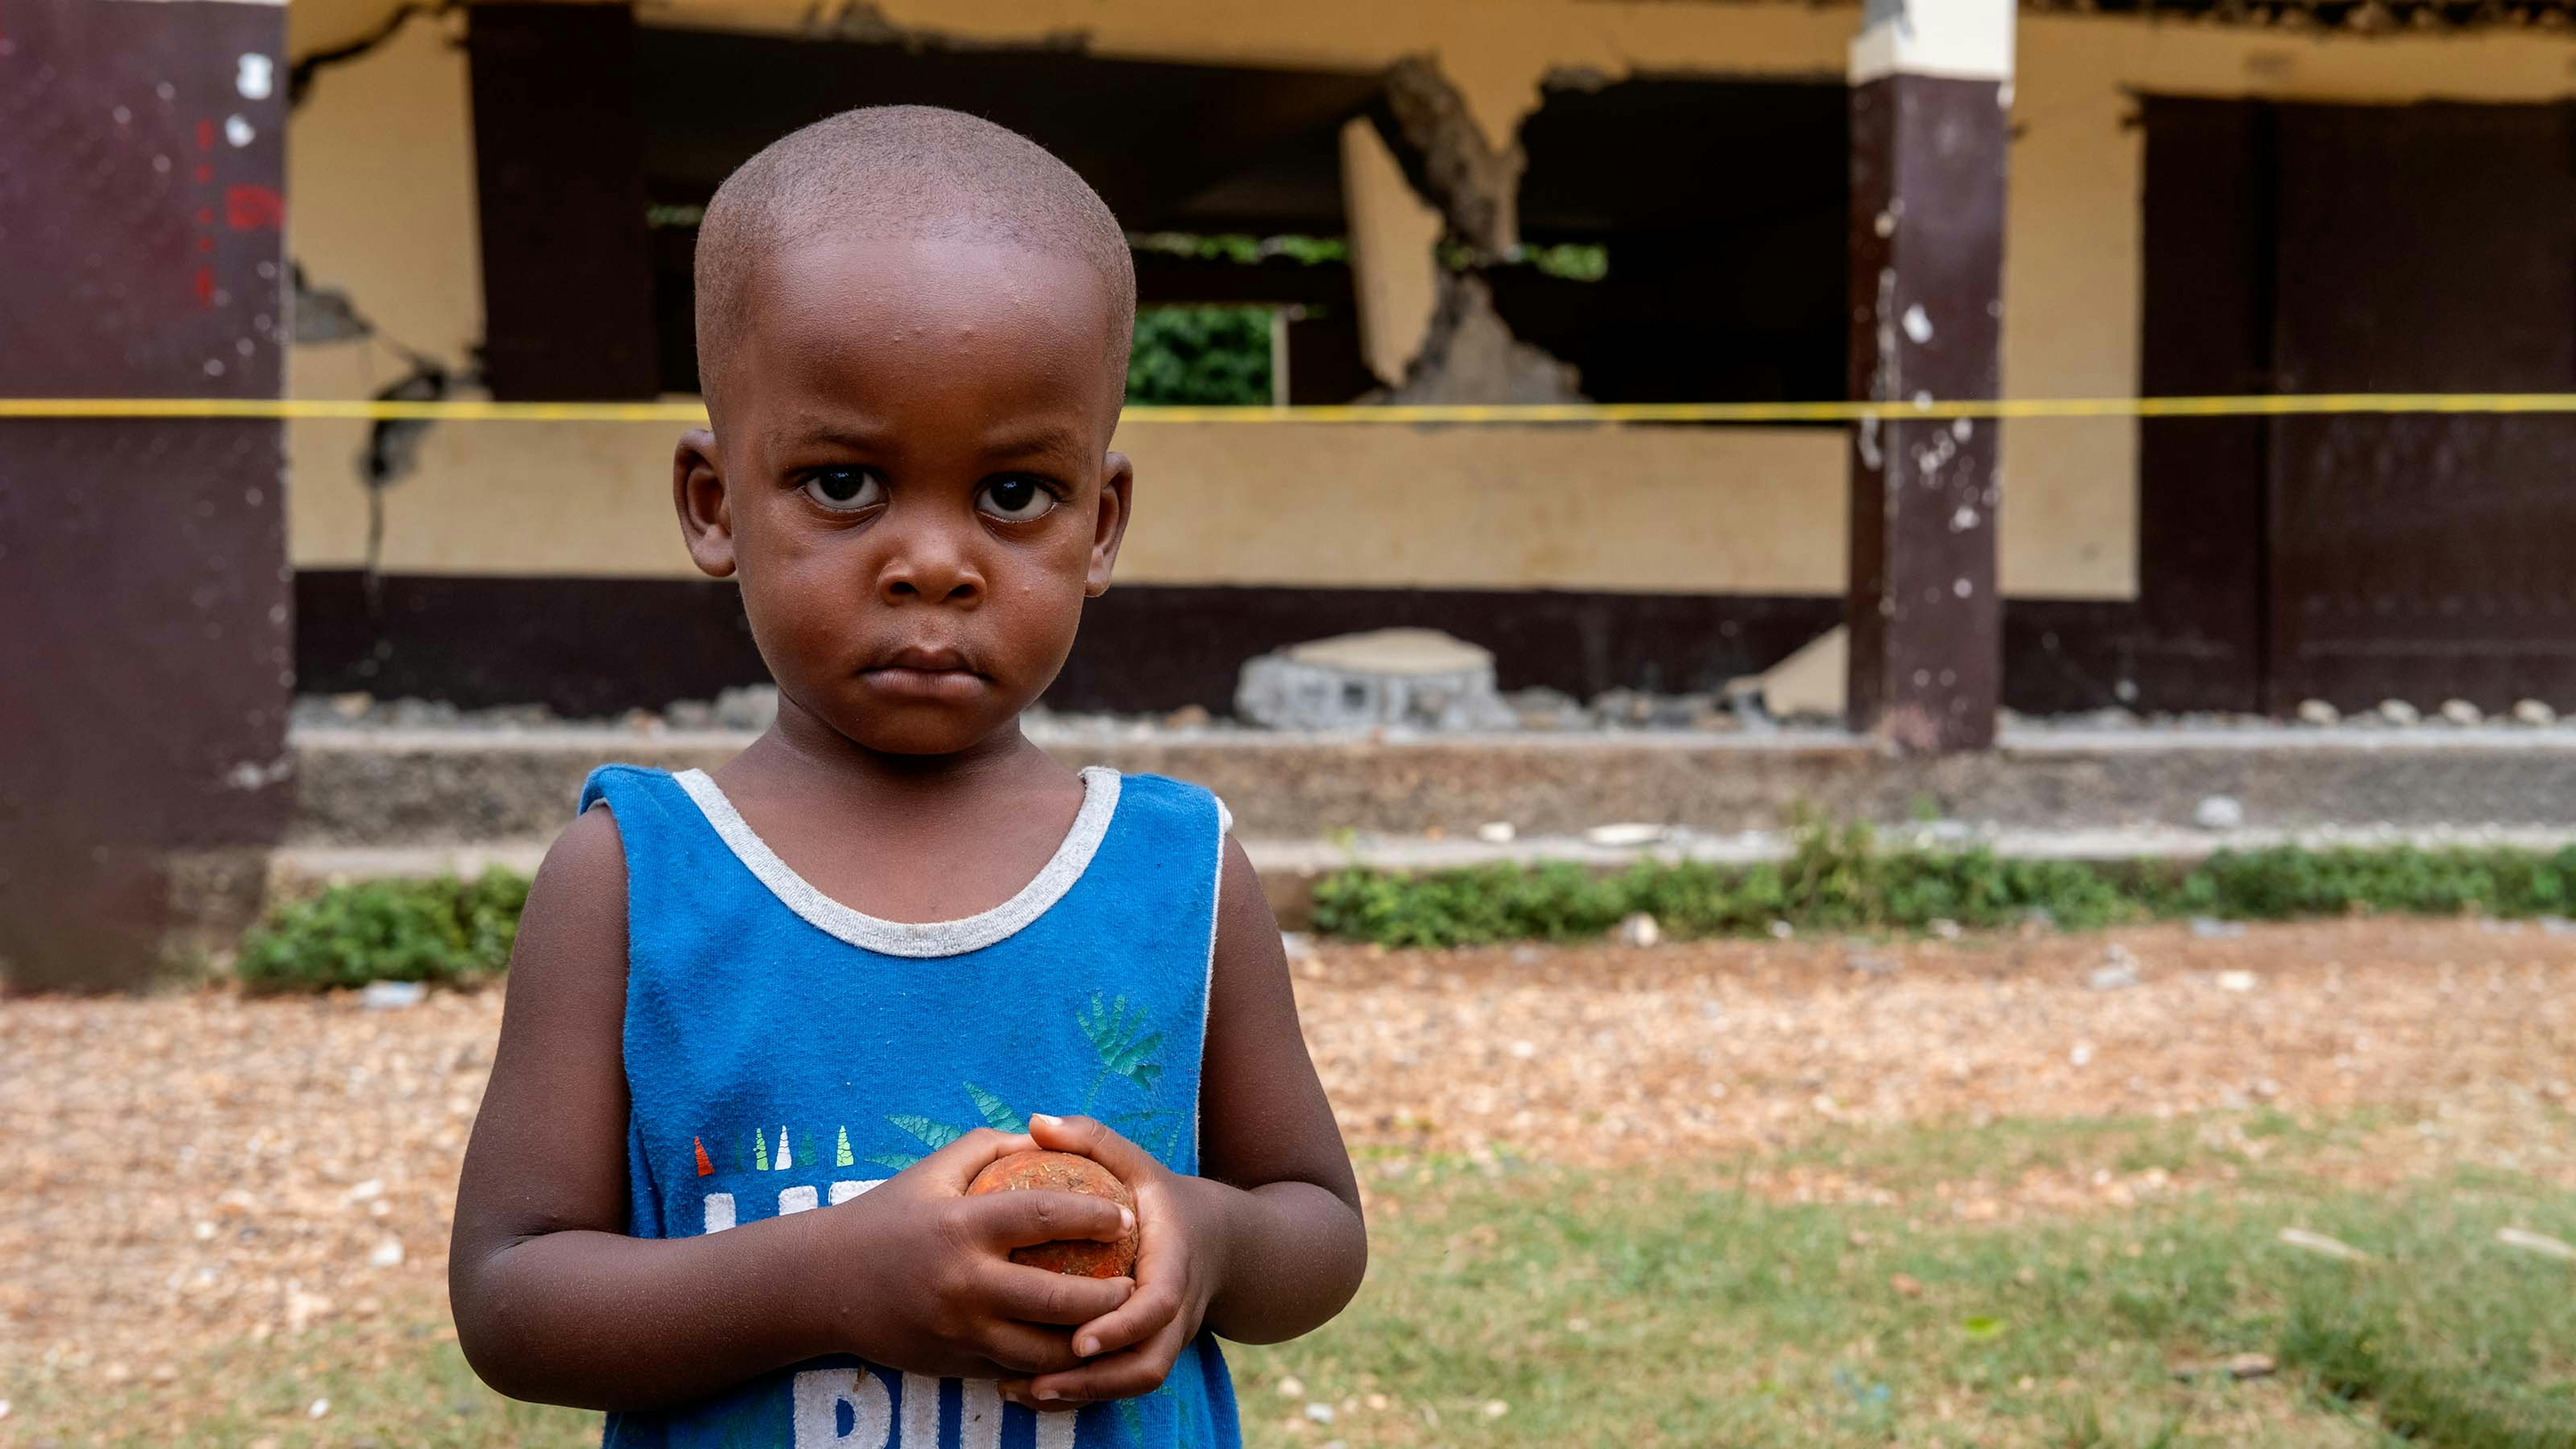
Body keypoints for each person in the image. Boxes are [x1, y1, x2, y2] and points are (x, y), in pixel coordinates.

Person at [447, 105, 1367, 1449]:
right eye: (841, 483)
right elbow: (512, 1297)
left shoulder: (1174, 870)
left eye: (1012, 498)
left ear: (1097, 526)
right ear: (713, 503)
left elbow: (1317, 1229)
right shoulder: (638, 877)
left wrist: (1206, 1237)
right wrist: (830, 1278)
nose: (932, 562)